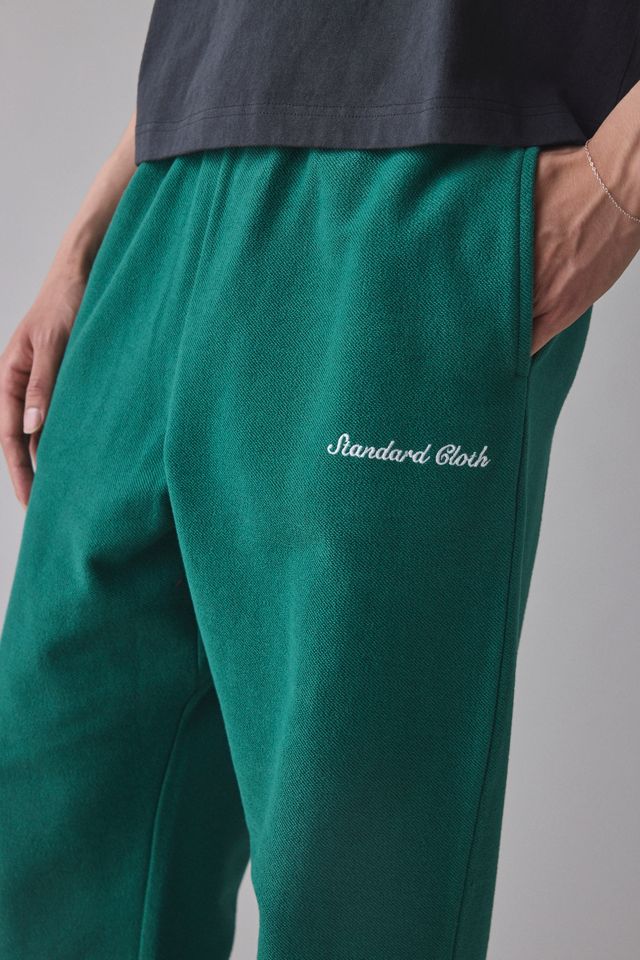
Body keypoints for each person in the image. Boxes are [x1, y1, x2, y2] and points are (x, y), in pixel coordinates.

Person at [1, 3, 639, 958]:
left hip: (417, 199)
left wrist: (618, 187)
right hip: (161, 202)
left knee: (353, 898)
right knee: (53, 844)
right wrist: (90, 231)